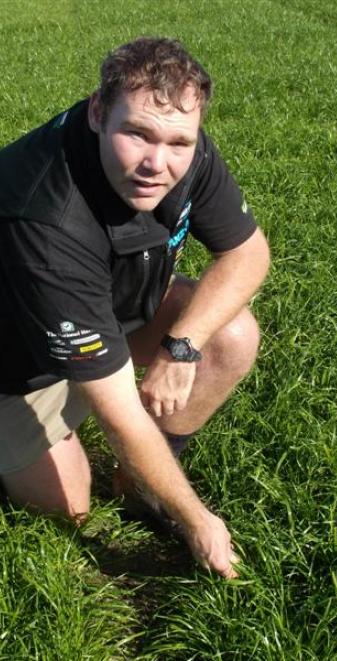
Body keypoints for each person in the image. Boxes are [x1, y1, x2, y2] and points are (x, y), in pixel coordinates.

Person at [0, 37, 270, 579]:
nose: (157, 163)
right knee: (70, 511)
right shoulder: (44, 218)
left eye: (178, 142)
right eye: (137, 134)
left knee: (231, 335)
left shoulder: (175, 141)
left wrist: (182, 343)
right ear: (98, 112)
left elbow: (248, 253)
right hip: (17, 368)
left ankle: (141, 485)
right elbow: (119, 410)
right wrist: (196, 519)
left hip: (106, 313)